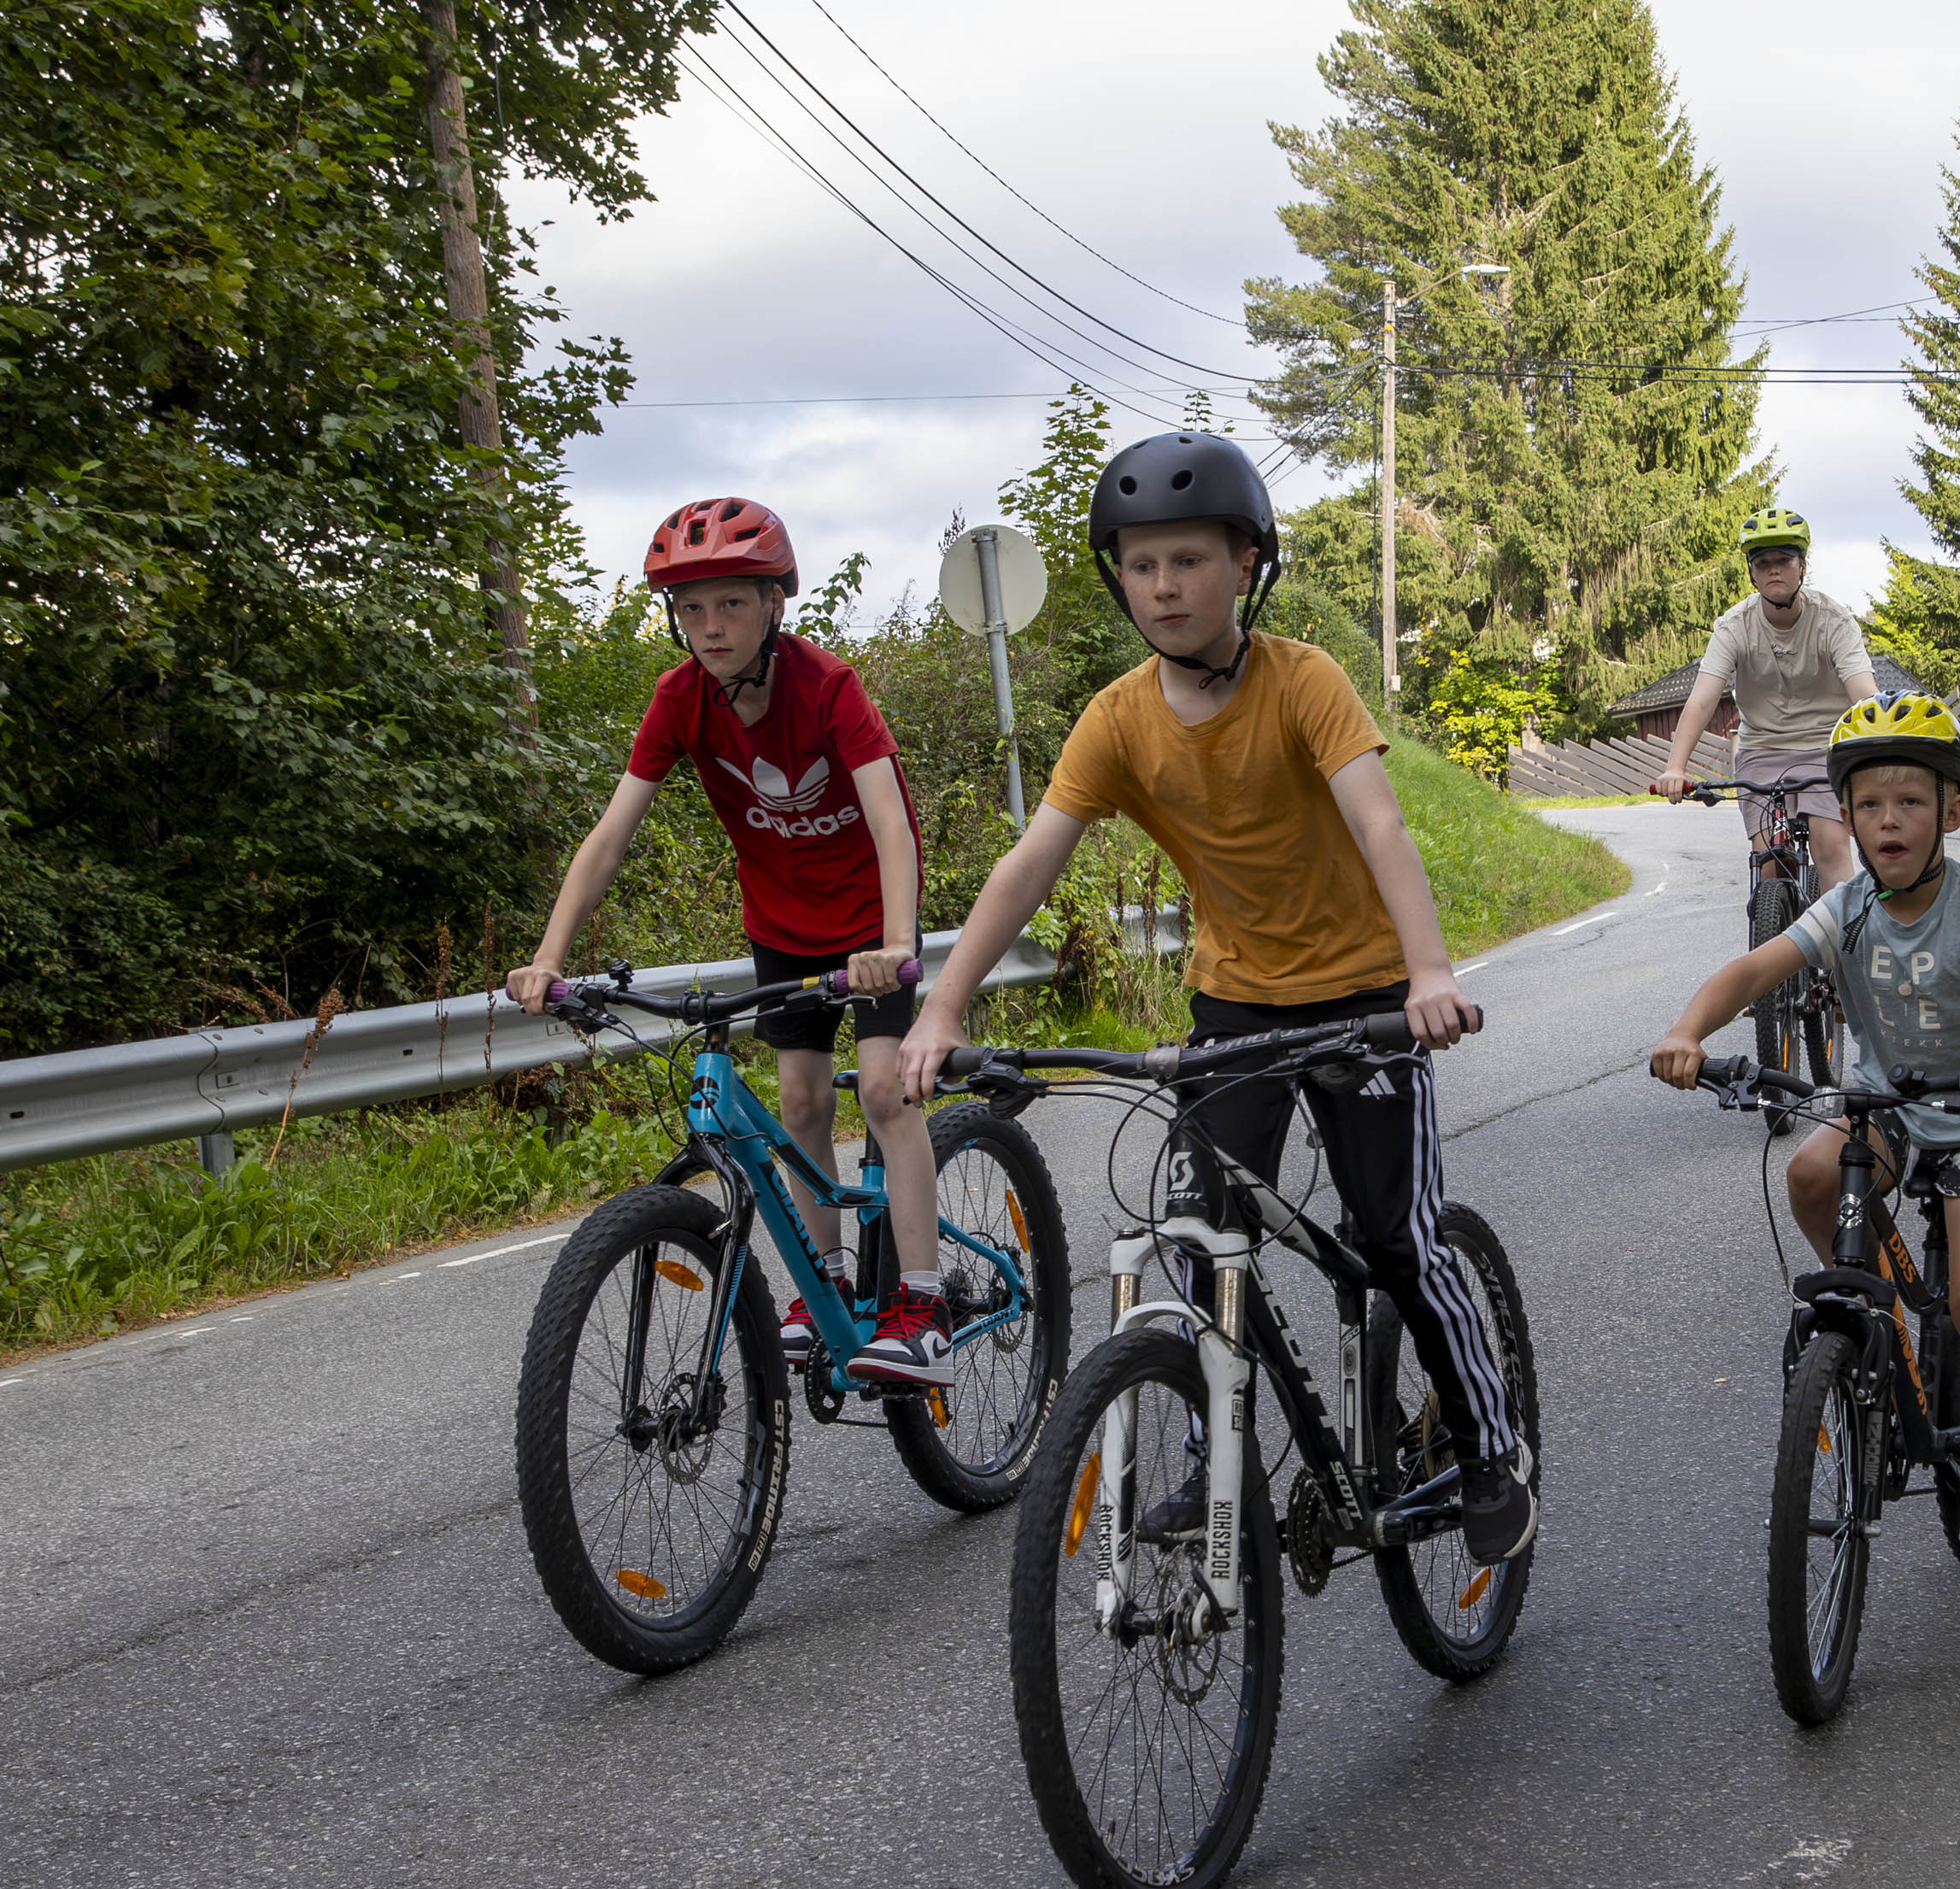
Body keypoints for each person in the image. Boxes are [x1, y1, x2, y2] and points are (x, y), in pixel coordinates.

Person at [895, 431, 1532, 1566]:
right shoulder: (1117, 718)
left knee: (1397, 1238)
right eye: (1140, 565)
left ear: (1245, 565)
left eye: (1188, 560)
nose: (1163, 585)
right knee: (1199, 1242)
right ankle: (1211, 1459)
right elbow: (1030, 863)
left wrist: (1430, 970)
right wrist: (944, 1008)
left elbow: (1379, 823)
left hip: (1367, 994)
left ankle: (1488, 1444)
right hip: (1234, 1004)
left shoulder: (1304, 680)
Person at [507, 498, 950, 1384]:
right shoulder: (679, 699)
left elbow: (889, 823)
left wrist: (896, 941)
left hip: (869, 924)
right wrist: (549, 955)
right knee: (800, 1102)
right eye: (691, 608)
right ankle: (823, 1290)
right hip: (782, 925)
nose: (710, 627)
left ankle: (925, 1306)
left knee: (883, 1094)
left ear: (774, 604)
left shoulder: (829, 687)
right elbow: (610, 835)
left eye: (732, 604)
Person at [1650, 695, 1960, 1550]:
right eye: (1868, 803)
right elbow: (1753, 971)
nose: (1888, 819)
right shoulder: (1847, 906)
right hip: (1887, 1106)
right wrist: (1688, 1031)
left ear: (1952, 812)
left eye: (1910, 800)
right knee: (1808, 1171)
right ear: (1846, 815)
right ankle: (1874, 1315)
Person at [1649, 507, 1879, 890]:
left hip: (1827, 748)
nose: (1774, 571)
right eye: (1763, 563)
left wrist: (1882, 748)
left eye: (1784, 561)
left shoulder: (1834, 621)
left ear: (1802, 566)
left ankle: (1842, 929)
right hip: (1762, 751)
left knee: (1830, 846)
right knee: (1768, 861)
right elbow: (1703, 700)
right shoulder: (1734, 627)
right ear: (1751, 572)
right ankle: (1773, 922)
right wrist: (1675, 767)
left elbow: (1864, 696)